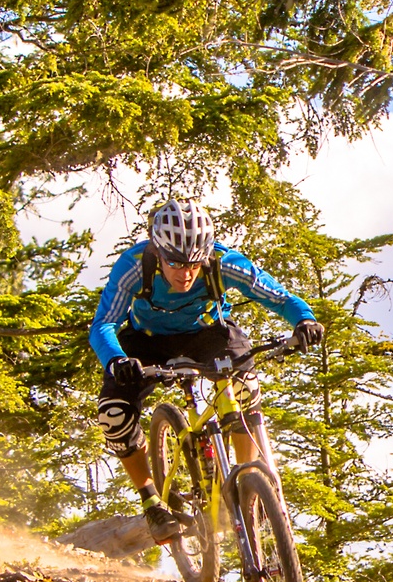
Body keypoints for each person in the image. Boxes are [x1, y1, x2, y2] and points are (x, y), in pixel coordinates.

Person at [89, 199, 323, 532]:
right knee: (113, 416)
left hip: (207, 334)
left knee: (245, 387)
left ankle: (248, 481)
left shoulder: (223, 262)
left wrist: (304, 320)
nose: (185, 273)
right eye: (175, 263)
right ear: (157, 251)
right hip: (146, 340)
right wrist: (116, 359)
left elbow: (278, 296)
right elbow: (103, 324)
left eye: (194, 264)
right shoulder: (133, 265)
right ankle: (151, 500)